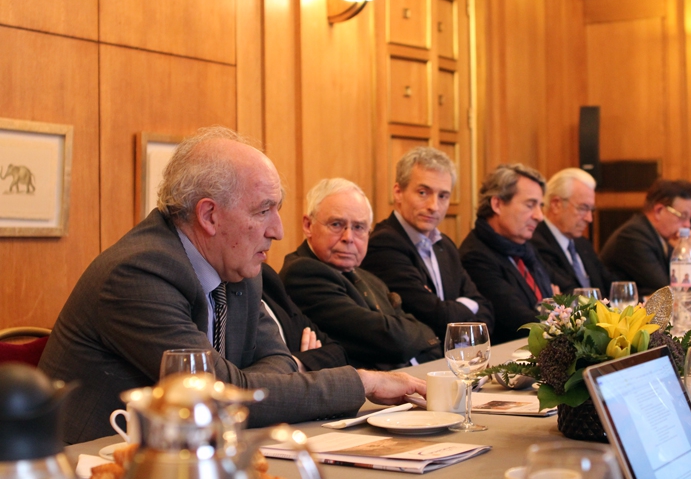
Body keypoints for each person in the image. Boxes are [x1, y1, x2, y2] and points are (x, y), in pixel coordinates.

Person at [38, 128, 425, 444]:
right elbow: (216, 394)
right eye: (263, 210)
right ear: (209, 215)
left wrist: (248, 378)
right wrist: (361, 380)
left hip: (199, 453)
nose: (278, 230)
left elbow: (277, 362)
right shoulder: (138, 273)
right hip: (101, 461)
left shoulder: (238, 265)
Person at [280, 178, 442, 370]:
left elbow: (427, 342)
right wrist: (416, 337)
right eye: (336, 224)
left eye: (358, 227)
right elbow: (393, 342)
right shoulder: (303, 273)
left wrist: (417, 338)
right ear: (308, 225)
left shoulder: (368, 278)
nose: (348, 238)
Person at [360, 147, 493, 340]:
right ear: (398, 192)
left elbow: (486, 310)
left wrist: (459, 309)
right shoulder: (384, 244)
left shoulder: (445, 245)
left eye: (443, 196)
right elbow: (437, 316)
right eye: (423, 192)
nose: (433, 206)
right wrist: (467, 306)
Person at [459, 164, 554, 344]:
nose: (539, 216)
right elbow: (522, 322)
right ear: (497, 204)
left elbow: (554, 301)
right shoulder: (476, 256)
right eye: (530, 205)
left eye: (540, 206)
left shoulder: (526, 247)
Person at [600, 179, 691, 296]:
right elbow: (667, 289)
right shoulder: (633, 236)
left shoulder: (660, 238)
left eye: (690, 218)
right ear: (659, 211)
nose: (688, 225)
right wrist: (686, 257)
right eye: (683, 216)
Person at [531, 168, 615, 298]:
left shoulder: (582, 243)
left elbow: (610, 285)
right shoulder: (536, 243)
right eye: (583, 208)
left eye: (591, 210)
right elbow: (568, 294)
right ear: (556, 204)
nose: (589, 218)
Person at [260, 263, 349, 372]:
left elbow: (338, 352)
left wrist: (300, 363)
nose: (268, 245)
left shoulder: (264, 275)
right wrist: (302, 366)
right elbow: (245, 379)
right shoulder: (304, 271)